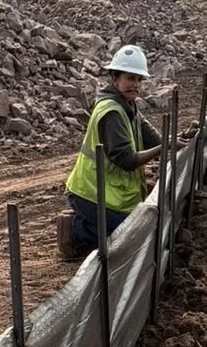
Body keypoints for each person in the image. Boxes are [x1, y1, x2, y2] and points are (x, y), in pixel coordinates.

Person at [64, 44, 162, 248]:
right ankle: (75, 229)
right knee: (134, 232)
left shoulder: (128, 106)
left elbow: (155, 140)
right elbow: (127, 160)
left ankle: (92, 223)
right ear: (115, 78)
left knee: (140, 227)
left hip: (110, 195)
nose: (135, 85)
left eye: (139, 79)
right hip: (90, 195)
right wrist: (165, 148)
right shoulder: (112, 113)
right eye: (130, 78)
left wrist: (182, 137)